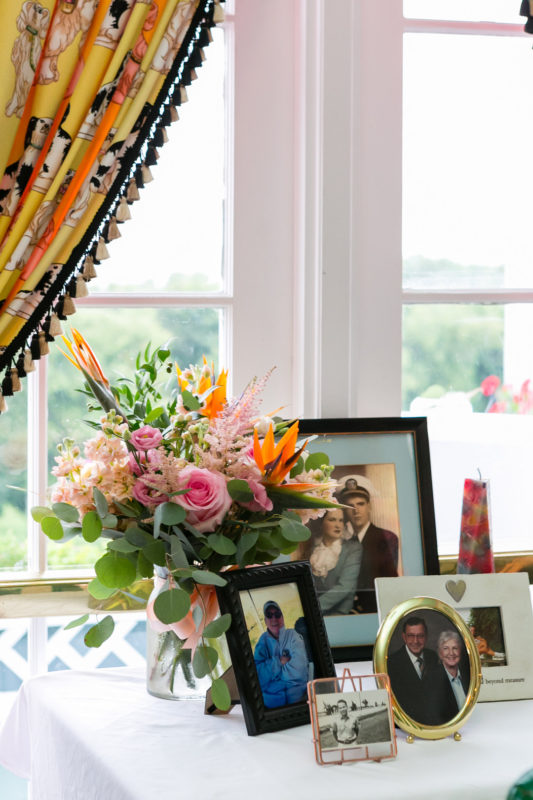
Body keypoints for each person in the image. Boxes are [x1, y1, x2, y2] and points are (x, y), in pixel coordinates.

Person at [337, 479, 399, 614]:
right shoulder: (338, 539)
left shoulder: (387, 538)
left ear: (369, 506)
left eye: (361, 504)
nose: (356, 511)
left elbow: (389, 583)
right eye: (350, 506)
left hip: (374, 610)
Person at [299, 508, 362, 615]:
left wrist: (312, 609)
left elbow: (345, 586)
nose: (338, 525)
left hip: (341, 612)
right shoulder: (312, 550)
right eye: (332, 520)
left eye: (341, 520)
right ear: (321, 523)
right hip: (314, 614)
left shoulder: (353, 549)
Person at [254, 600, 309, 709]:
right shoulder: (262, 643)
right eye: (269, 615)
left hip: (299, 699)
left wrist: (272, 676)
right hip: (270, 705)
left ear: (282, 618)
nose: (274, 618)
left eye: (277, 614)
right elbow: (258, 678)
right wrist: (279, 662)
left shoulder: (293, 636)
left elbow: (299, 671)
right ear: (265, 620)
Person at [387, 616, 439, 724]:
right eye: (411, 636)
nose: (416, 641)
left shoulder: (433, 656)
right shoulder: (391, 663)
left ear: (426, 637)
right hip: (406, 724)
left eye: (420, 636)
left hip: (433, 721)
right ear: (404, 637)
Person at [428, 630, 470, 725]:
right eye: (446, 648)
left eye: (455, 648)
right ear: (440, 653)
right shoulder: (431, 680)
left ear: (460, 651)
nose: (451, 653)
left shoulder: (468, 675)